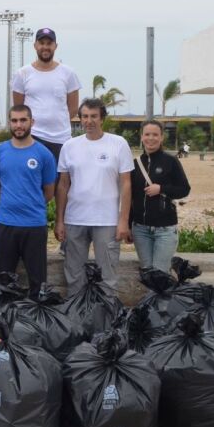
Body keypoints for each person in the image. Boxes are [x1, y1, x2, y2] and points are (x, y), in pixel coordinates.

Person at [54, 98, 133, 296]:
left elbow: (126, 184)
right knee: (74, 276)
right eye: (85, 116)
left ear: (102, 119)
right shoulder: (69, 146)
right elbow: (63, 185)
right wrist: (59, 221)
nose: (89, 121)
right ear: (80, 119)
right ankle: (75, 321)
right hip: (75, 220)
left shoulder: (118, 144)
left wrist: (123, 221)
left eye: (94, 116)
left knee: (108, 277)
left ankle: (107, 323)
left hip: (106, 221)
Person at [0, 105, 58, 285]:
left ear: (31, 122)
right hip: (5, 224)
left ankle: (36, 312)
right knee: (2, 281)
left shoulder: (44, 154)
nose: (18, 125)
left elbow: (49, 191)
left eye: (23, 120)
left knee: (37, 281)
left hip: (34, 226)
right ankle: (4, 314)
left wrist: (31, 204)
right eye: (14, 120)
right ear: (10, 123)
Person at [130, 120, 191, 273]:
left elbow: (184, 189)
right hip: (140, 229)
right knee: (147, 273)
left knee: (161, 275)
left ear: (162, 137)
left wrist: (161, 188)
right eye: (147, 134)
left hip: (165, 229)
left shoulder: (171, 161)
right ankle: (152, 298)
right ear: (142, 137)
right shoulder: (135, 164)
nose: (151, 138)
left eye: (155, 134)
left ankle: (160, 298)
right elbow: (131, 197)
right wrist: (128, 224)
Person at [10, 27, 80, 160]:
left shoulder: (68, 73)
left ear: (55, 46)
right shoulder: (22, 74)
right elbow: (19, 108)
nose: (45, 47)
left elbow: (73, 109)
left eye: (49, 44)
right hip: (33, 138)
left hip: (61, 139)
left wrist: (55, 122)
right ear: (35, 45)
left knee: (61, 180)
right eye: (42, 43)